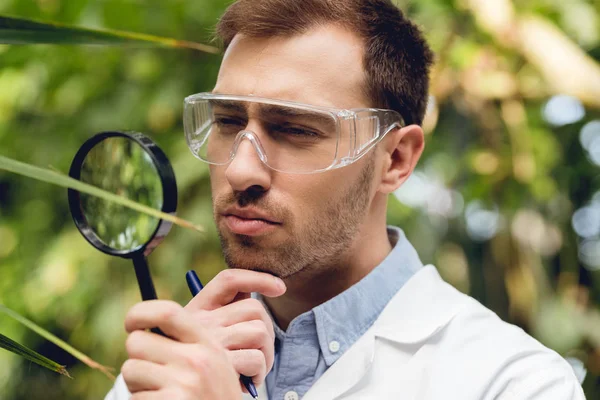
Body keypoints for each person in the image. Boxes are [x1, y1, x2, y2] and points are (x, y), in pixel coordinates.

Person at [105, 0, 585, 399]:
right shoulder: (164, 375)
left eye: (294, 129)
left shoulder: (514, 383)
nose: (239, 170)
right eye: (228, 122)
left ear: (395, 159)